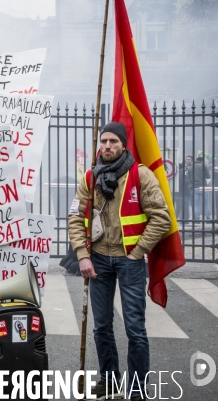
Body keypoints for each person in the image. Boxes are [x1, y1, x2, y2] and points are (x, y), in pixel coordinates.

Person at [68, 122, 171, 401]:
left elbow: (162, 218)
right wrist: (82, 254)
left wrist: (138, 253)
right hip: (98, 260)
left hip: (129, 261)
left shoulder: (141, 175)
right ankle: (109, 380)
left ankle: (137, 388)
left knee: (135, 328)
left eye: (113, 141)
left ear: (123, 145)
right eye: (103, 141)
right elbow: (76, 218)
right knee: (101, 325)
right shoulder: (90, 177)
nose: (107, 146)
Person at [193, 155, 211, 221]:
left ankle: (197, 220)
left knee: (195, 204)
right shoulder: (204, 166)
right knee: (206, 203)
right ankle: (208, 219)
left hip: (195, 187)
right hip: (203, 187)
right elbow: (208, 176)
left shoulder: (192, 167)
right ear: (201, 161)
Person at [177, 155, 193, 220]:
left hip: (177, 193)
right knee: (184, 207)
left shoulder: (176, 174)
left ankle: (173, 219)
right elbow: (187, 182)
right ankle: (184, 220)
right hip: (184, 193)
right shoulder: (183, 175)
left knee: (178, 207)